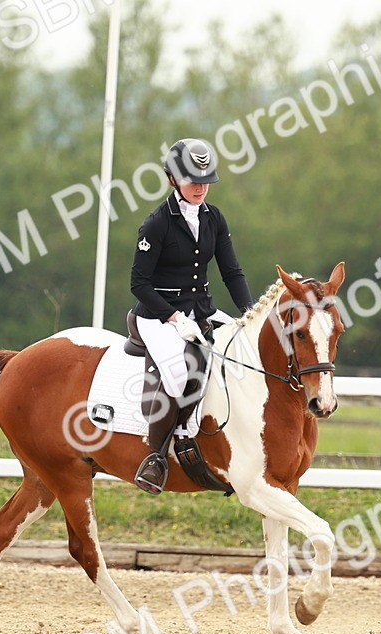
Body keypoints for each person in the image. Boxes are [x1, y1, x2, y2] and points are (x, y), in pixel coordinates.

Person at [130, 137, 255, 494]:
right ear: (172, 179)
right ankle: (155, 457)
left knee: (241, 354)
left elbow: (232, 272)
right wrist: (172, 317)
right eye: (192, 181)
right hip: (157, 316)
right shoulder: (156, 224)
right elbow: (138, 284)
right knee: (179, 371)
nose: (200, 188)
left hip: (200, 310)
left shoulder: (214, 217)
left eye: (205, 182)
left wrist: (248, 316)